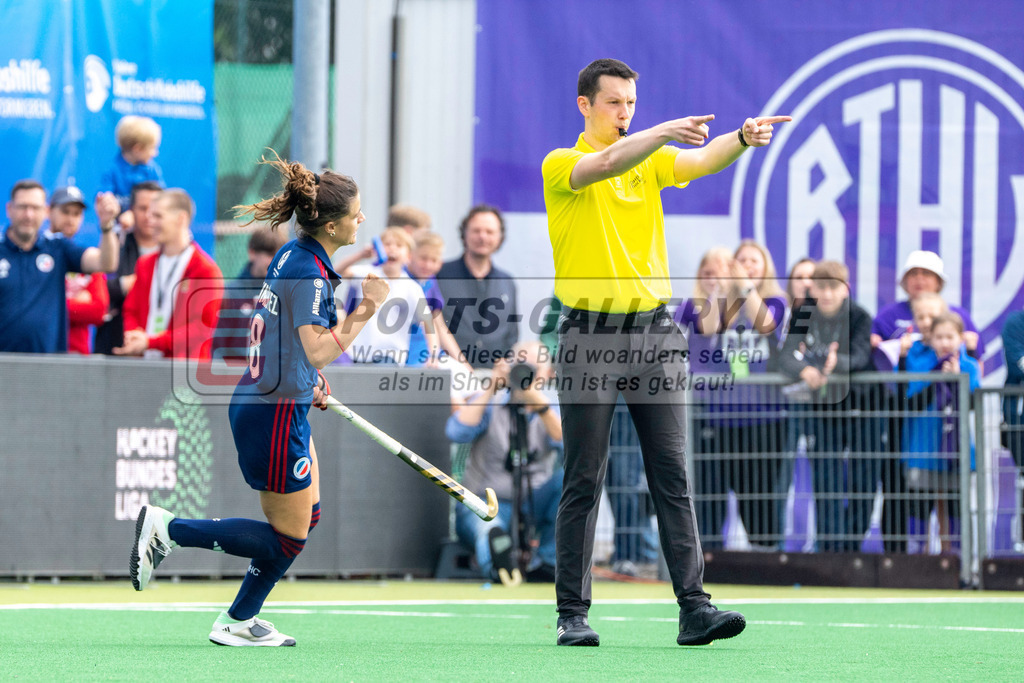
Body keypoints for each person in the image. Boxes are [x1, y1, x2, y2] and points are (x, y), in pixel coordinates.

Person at [541, 57, 790, 647]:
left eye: (632, 104)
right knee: (584, 476)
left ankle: (694, 609)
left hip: (654, 335)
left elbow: (702, 160)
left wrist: (743, 139)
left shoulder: (650, 158)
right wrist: (657, 132)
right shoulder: (563, 163)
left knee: (673, 476)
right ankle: (571, 614)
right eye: (614, 104)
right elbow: (604, 163)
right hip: (589, 337)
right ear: (585, 105)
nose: (626, 114)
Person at [129, 151, 390, 646]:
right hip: (272, 417)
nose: (361, 219)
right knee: (289, 537)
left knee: (306, 517)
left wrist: (302, 374)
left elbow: (286, 342)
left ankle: (239, 620)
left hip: (270, 400)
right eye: (355, 213)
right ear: (332, 227)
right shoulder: (311, 273)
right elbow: (315, 347)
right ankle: (169, 531)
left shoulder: (294, 253)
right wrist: (366, 311)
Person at [677, 241, 787, 547]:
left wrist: (745, 287)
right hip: (713, 414)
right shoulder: (707, 302)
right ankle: (708, 559)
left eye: (754, 261)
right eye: (740, 261)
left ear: (766, 267)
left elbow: (765, 324)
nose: (747, 265)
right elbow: (709, 328)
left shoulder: (776, 301)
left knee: (760, 494)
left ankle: (765, 559)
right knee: (710, 494)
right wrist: (723, 290)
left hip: (763, 416)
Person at [778, 261, 875, 552]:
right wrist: (803, 369)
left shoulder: (859, 316)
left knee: (863, 481)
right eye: (821, 287)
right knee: (826, 480)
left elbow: (861, 355)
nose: (828, 294)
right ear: (813, 288)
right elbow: (786, 354)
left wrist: (837, 364)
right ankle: (830, 549)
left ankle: (852, 548)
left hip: (861, 408)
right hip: (823, 409)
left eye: (834, 287)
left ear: (845, 289)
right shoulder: (803, 312)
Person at [447, 341, 563, 583]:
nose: (525, 374)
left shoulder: (551, 408)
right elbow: (456, 431)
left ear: (548, 374)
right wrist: (491, 387)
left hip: (533, 503)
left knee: (567, 481)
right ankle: (499, 568)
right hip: (485, 501)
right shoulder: (491, 402)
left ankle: (548, 564)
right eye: (520, 366)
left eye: (533, 368)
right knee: (488, 529)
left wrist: (540, 406)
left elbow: (570, 444)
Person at [0, 180, 119, 353]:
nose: (28, 215)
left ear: (46, 211)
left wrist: (107, 226)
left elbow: (106, 263)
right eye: (22, 207)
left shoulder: (58, 248)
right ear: (9, 209)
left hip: (49, 365)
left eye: (35, 208)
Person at [898, 311, 980, 553]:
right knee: (918, 508)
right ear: (930, 339)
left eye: (950, 337)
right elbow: (910, 400)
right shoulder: (920, 364)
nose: (944, 342)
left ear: (961, 339)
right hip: (922, 449)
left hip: (956, 452)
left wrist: (957, 380)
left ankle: (959, 560)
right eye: (939, 337)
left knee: (956, 508)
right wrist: (936, 379)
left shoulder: (969, 366)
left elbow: (973, 404)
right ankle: (916, 561)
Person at [114, 189, 224, 359]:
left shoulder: (205, 271)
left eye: (158, 216)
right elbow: (131, 310)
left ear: (181, 218)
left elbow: (201, 329)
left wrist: (151, 342)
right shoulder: (145, 264)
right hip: (144, 369)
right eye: (151, 215)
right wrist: (135, 337)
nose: (151, 222)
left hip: (184, 377)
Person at [436, 204, 520, 368]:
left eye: (490, 232)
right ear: (464, 234)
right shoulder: (440, 275)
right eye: (476, 230)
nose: (482, 237)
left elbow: (512, 334)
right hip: (449, 372)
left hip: (494, 377)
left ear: (499, 237)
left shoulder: (507, 282)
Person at [340, 227, 436, 365]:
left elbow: (428, 322)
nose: (392, 249)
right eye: (387, 244)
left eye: (399, 245)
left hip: (390, 355)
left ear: (409, 256)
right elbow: (337, 272)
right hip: (357, 352)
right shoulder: (367, 273)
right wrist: (361, 255)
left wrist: (433, 355)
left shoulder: (411, 288)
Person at [872, 250, 984, 367]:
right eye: (913, 273)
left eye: (926, 273)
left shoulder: (958, 316)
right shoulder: (887, 315)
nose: (919, 279)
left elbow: (977, 364)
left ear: (938, 282)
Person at [94, 181, 163, 355]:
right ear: (131, 209)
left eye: (154, 208)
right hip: (115, 345)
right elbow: (97, 291)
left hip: (160, 350)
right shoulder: (117, 242)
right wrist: (126, 284)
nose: (148, 215)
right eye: (142, 208)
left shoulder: (174, 250)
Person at [46, 187, 111, 354]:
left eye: (76, 214)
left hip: (77, 356)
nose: (70, 219)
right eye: (65, 212)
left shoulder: (86, 258)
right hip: (39, 352)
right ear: (49, 211)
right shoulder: (35, 253)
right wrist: (76, 303)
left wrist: (49, 304)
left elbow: (98, 311)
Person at [98, 115, 165, 225]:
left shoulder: (152, 170)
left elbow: (161, 198)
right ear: (137, 149)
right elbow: (103, 198)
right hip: (118, 229)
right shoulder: (111, 170)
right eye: (152, 148)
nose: (155, 153)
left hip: (146, 227)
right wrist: (109, 205)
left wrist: (133, 214)